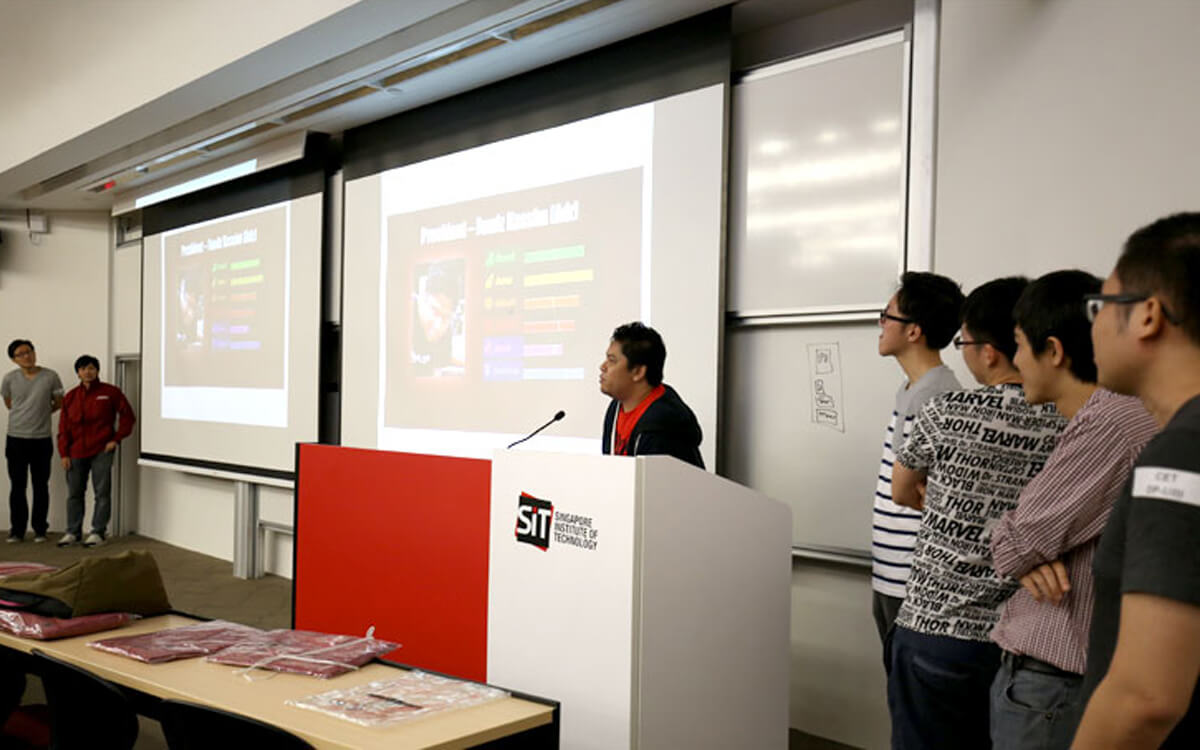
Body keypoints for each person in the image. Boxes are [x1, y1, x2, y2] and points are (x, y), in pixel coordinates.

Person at [887, 277, 1067, 750]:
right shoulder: (1068, 420)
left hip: (934, 626)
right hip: (1020, 638)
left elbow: (902, 490)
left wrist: (955, 506)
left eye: (963, 342)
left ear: (989, 352)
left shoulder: (946, 411)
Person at [987, 270, 1158, 750]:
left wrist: (1025, 552)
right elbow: (1025, 542)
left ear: (1055, 350)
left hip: (1055, 682)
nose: (1015, 362)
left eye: (1019, 345)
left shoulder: (1110, 421)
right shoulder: (1111, 416)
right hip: (1061, 678)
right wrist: (1027, 550)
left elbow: (1014, 544)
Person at [1066, 213, 1200, 748]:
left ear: (1147, 316)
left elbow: (1145, 697)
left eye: (1100, 306)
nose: (1092, 326)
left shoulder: (1183, 453)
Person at [871, 272, 965, 646]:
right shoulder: (914, 389)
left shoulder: (936, 396)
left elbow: (911, 492)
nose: (880, 324)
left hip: (910, 572)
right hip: (892, 569)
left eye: (887, 315)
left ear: (914, 331)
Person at [599, 322, 704, 469]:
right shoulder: (616, 407)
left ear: (638, 372)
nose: (603, 367)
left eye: (612, 360)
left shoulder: (663, 426)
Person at [56, 355, 135, 547]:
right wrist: (64, 453)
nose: (87, 372)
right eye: (83, 369)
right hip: (75, 452)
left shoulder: (111, 392)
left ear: (97, 370)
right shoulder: (71, 396)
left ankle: (98, 532)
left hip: (101, 450)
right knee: (74, 494)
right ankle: (73, 532)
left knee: (102, 493)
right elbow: (63, 427)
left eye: (91, 368)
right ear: (78, 372)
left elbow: (128, 417)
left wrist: (115, 439)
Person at [1, 339, 64, 543]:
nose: (27, 356)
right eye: (21, 354)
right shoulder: (9, 379)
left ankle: (39, 530)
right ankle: (17, 531)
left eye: (29, 351)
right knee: (17, 486)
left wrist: (41, 413)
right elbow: (9, 403)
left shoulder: (51, 376)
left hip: (41, 439)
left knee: (40, 485)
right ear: (13, 359)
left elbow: (58, 403)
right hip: (16, 439)